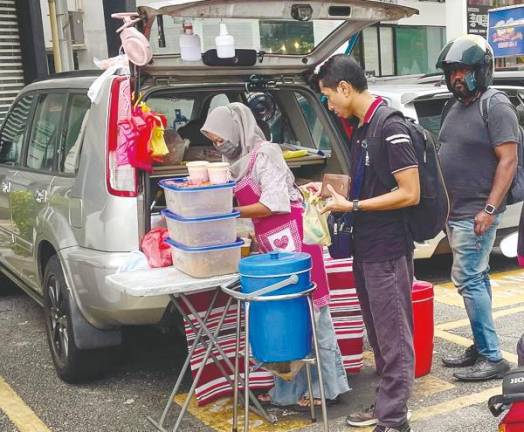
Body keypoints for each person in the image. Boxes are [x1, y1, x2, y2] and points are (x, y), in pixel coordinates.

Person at [200, 102, 350, 409]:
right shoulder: (235, 162)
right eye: (214, 141)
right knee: (285, 319)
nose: (219, 145)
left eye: (220, 138)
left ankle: (326, 388)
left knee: (313, 315)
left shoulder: (265, 153)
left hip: (297, 241)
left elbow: (274, 204)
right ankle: (287, 392)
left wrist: (226, 211)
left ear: (235, 130)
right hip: (272, 245)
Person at [314, 54, 419, 432]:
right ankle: (386, 405)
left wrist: (353, 204)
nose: (329, 104)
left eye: (328, 96)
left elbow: (410, 193)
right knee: (379, 335)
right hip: (368, 247)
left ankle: (393, 420)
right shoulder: (363, 125)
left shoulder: (388, 126)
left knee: (394, 339)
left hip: (388, 249)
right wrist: (331, 194)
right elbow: (369, 181)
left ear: (345, 88)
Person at [436, 35, 517, 381]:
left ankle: (492, 356)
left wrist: (489, 208)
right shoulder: (453, 107)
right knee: (476, 280)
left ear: (482, 71)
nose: (457, 77)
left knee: (468, 279)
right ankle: (482, 345)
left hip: (477, 213)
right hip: (456, 213)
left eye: (464, 70)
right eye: (453, 71)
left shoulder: (495, 106)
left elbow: (508, 161)